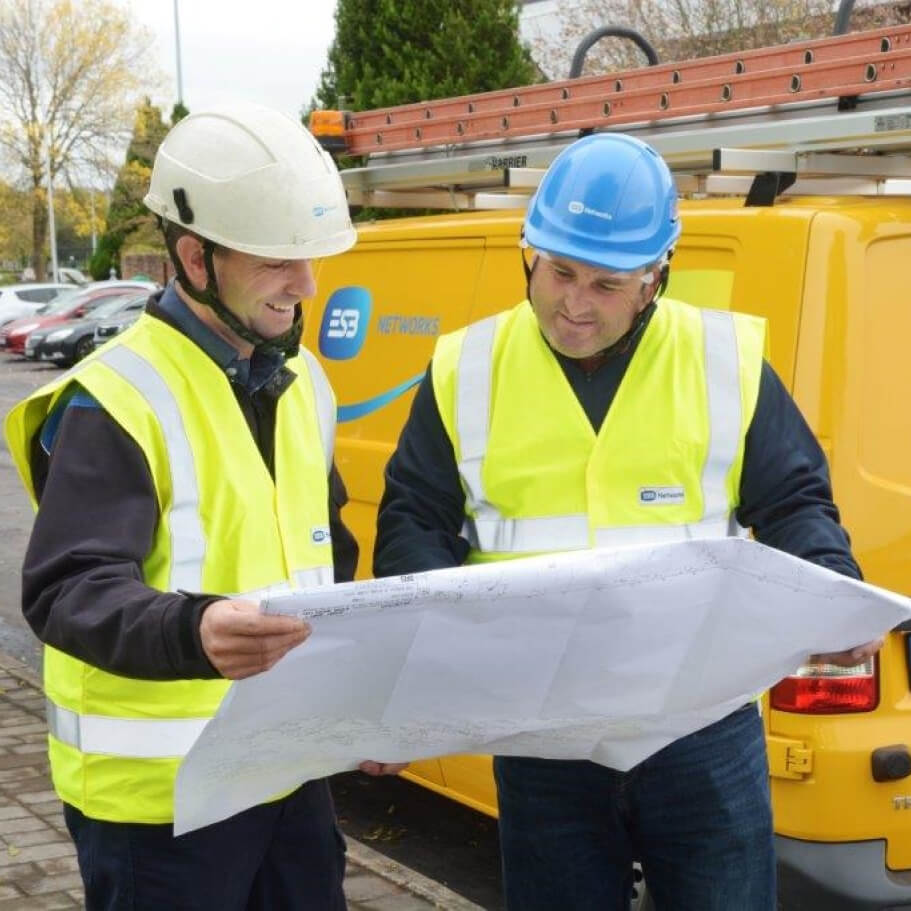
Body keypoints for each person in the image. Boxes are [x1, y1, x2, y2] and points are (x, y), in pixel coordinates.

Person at [373, 132, 880, 910]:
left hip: (698, 729)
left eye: (606, 284)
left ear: (655, 277)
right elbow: (415, 521)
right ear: (527, 252)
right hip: (542, 737)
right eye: (559, 272)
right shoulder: (462, 369)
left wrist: (835, 593)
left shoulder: (725, 360)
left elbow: (794, 503)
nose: (574, 304)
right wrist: (424, 662)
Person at [4, 103, 399, 911]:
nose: (307, 285)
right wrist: (194, 630)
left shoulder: (304, 384)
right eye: (281, 260)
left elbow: (326, 562)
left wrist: (362, 698)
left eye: (311, 259)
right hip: (162, 811)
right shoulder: (116, 398)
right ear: (196, 257)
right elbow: (67, 589)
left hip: (285, 778)